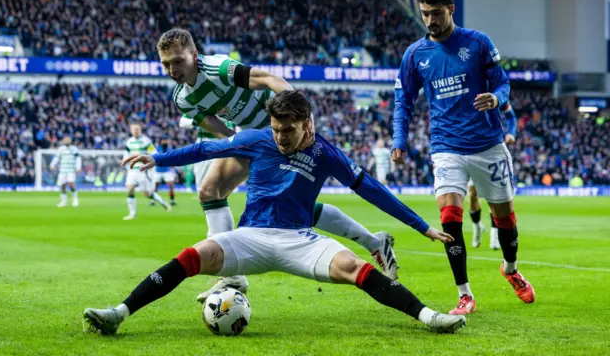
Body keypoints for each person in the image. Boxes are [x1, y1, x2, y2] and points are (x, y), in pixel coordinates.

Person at [83, 90, 465, 335]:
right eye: (277, 129)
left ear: (307, 124)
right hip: (249, 238)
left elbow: (372, 190)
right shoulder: (257, 139)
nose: (281, 137)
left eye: (289, 130)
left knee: (354, 268)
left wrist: (420, 225)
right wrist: (159, 158)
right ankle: (118, 314)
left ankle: (430, 317)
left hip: (301, 240)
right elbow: (204, 150)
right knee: (191, 256)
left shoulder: (326, 153)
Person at [158, 28, 398, 301]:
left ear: (194, 55)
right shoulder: (181, 98)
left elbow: (271, 79)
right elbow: (210, 123)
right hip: (254, 137)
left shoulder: (217, 68)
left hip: (282, 131)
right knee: (209, 191)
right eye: (166, 63)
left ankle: (373, 242)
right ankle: (232, 276)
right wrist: (237, 142)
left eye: (178, 61)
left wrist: (303, 121)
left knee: (287, 204)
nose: (172, 69)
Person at [392, 0, 535, 315]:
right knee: (449, 217)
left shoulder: (478, 42)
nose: (430, 20)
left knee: (505, 220)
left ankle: (510, 269)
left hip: (488, 145)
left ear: (451, 9)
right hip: (445, 146)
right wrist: (399, 139)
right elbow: (403, 101)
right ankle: (464, 294)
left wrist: (497, 97)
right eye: (425, 13)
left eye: (436, 13)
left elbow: (503, 82)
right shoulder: (415, 55)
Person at [468, 102, 517, 249]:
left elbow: (511, 117)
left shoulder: (496, 94)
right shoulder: (465, 92)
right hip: (469, 149)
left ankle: (494, 235)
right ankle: (477, 228)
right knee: (472, 194)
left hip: (492, 149)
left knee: (494, 195)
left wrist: (511, 133)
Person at [124, 124, 171, 220]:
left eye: (137, 129)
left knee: (146, 194)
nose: (135, 131)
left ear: (140, 130)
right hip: (133, 170)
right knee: (130, 189)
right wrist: (125, 163)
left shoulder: (146, 141)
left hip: (143, 170)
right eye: (133, 129)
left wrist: (147, 161)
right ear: (131, 130)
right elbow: (126, 154)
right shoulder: (129, 142)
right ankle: (132, 214)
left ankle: (162, 202)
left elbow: (154, 153)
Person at [50, 136, 81, 207]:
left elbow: (78, 158)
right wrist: (52, 164)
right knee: (63, 185)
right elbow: (57, 157)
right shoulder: (61, 149)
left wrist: (78, 167)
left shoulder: (74, 149)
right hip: (63, 170)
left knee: (71, 183)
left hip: (71, 170)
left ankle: (75, 199)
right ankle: (64, 201)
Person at [153, 140, 177, 206]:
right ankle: (153, 200)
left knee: (171, 185)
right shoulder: (157, 148)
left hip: (167, 170)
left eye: (166, 141)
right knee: (155, 186)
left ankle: (172, 200)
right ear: (161, 142)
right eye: (163, 141)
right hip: (158, 170)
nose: (165, 142)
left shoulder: (169, 149)